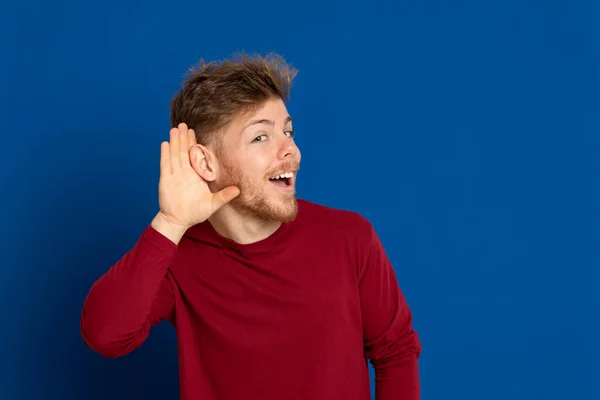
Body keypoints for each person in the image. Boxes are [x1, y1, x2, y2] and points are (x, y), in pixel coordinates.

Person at [80, 52, 422, 400]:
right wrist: (169, 223)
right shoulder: (174, 259)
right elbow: (105, 336)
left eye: (287, 131)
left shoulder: (350, 238)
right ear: (205, 163)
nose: (291, 150)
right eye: (261, 137)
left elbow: (395, 351)